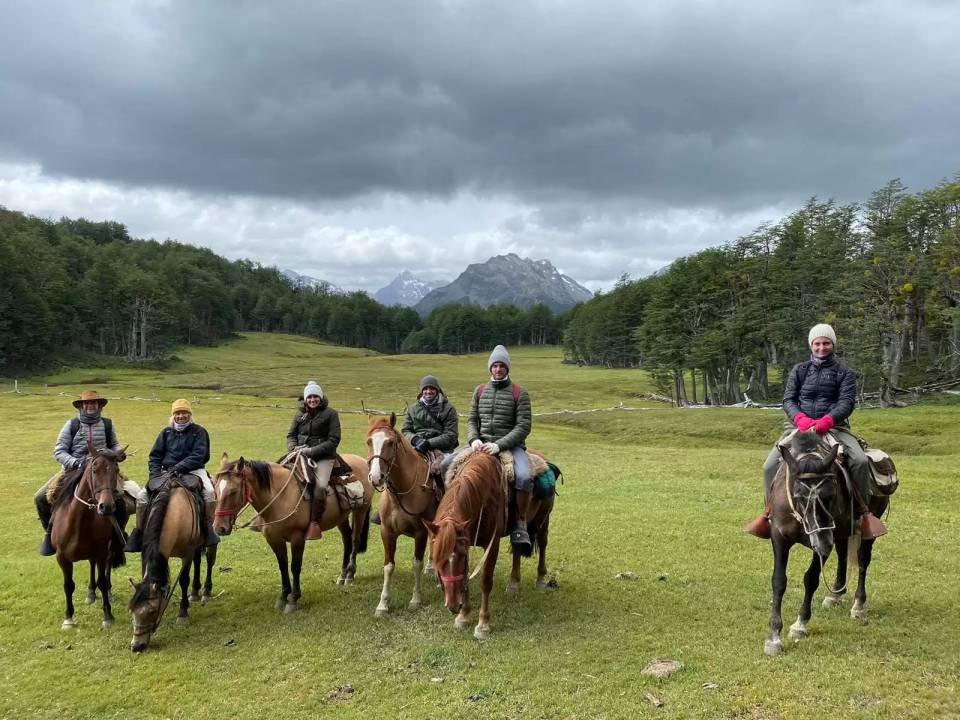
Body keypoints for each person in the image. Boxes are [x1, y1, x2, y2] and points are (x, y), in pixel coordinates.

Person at [746, 323, 886, 540]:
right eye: (817, 343)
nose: (822, 347)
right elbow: (788, 400)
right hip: (798, 427)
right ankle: (769, 513)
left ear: (833, 345)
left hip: (835, 427)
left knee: (859, 461)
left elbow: (846, 402)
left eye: (826, 343)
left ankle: (862, 513)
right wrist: (800, 419)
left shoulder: (844, 372)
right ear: (811, 345)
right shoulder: (799, 370)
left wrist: (827, 420)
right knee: (769, 466)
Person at [36, 390, 136, 556]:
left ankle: (118, 534)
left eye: (94, 403)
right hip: (73, 469)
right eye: (87, 403)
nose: (90, 406)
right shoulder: (72, 425)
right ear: (81, 406)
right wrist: (76, 462)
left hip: (102, 470)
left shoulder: (107, 424)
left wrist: (118, 453)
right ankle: (49, 535)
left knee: (119, 498)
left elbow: (114, 444)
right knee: (40, 497)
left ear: (99, 406)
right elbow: (59, 451)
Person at [125, 399, 219, 552]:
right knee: (142, 497)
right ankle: (140, 532)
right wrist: (155, 475)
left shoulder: (199, 432)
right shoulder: (166, 433)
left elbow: (199, 455)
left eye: (184, 413)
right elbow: (155, 456)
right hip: (167, 472)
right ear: (173, 415)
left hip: (194, 470)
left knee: (209, 493)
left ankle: (208, 529)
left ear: (190, 415)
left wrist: (179, 467)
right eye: (178, 413)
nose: (181, 416)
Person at [467, 345, 534, 553]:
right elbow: (472, 420)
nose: (498, 369)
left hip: (510, 447)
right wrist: (474, 439)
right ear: (490, 368)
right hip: (481, 445)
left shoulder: (519, 393)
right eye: (494, 366)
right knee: (446, 465)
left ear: (507, 368)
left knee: (524, 477)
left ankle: (520, 523)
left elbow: (523, 426)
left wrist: (499, 445)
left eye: (501, 366)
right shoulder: (480, 391)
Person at [286, 380, 341, 540]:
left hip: (324, 457)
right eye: (309, 397)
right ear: (305, 399)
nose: (312, 400)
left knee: (320, 486)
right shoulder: (299, 414)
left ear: (320, 397)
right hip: (299, 454)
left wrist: (310, 451)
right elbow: (291, 435)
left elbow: (333, 440)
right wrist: (293, 448)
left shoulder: (331, 414)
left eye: (315, 396)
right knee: (279, 474)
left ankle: (315, 523)